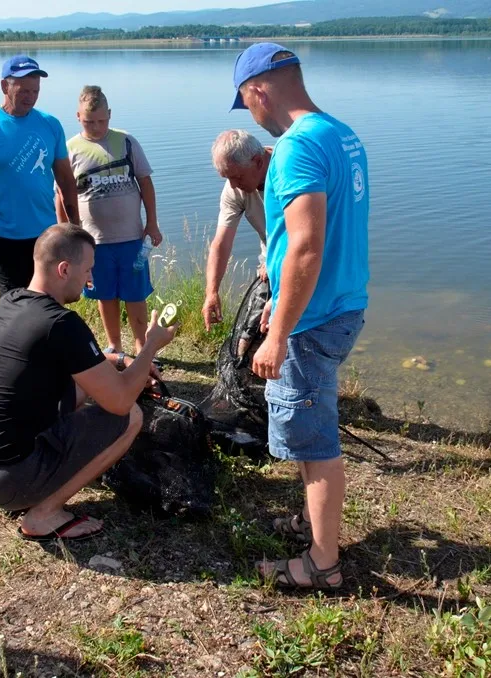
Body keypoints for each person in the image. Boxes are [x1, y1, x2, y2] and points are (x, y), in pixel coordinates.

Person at [231, 43, 370, 590]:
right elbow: (313, 242)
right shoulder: (341, 134)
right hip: (342, 302)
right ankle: (313, 524)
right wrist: (279, 300)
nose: (251, 117)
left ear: (258, 91)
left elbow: (306, 249)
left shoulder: (295, 147)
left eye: (246, 103)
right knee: (311, 428)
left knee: (315, 440)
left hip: (313, 321)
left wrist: (279, 334)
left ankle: (322, 564)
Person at [0, 224, 177, 541]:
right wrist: (151, 345)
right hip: (7, 479)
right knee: (130, 417)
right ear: (64, 269)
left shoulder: (13, 301)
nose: (90, 279)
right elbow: (120, 402)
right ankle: (44, 515)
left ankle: (41, 482)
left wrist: (119, 361)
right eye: (87, 270)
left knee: (86, 383)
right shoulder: (61, 324)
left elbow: (82, 364)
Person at [0, 55, 80, 297]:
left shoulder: (50, 124)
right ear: (5, 86)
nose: (30, 97)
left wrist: (75, 228)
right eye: (24, 91)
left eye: (35, 91)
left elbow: (66, 181)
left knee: (47, 302)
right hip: (5, 235)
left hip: (45, 234)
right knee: (14, 303)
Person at [57, 85, 161, 357]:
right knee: (105, 294)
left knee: (135, 294)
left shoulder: (126, 142)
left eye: (102, 121)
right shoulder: (70, 149)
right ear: (78, 116)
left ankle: (142, 346)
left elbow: (145, 183)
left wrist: (152, 223)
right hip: (93, 242)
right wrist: (66, 233)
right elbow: (61, 195)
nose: (96, 127)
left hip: (132, 238)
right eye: (89, 122)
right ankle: (115, 345)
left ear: (110, 115)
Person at [203, 129, 271, 331]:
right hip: (270, 263)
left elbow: (310, 233)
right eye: (227, 178)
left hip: (313, 262)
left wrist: (276, 261)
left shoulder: (292, 170)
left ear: (258, 162)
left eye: (237, 177)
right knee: (249, 334)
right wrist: (212, 291)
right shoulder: (234, 187)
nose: (233, 185)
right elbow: (221, 243)